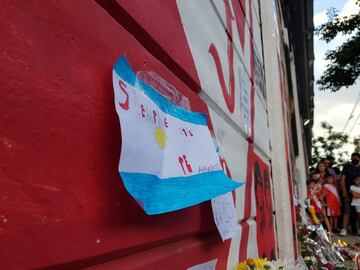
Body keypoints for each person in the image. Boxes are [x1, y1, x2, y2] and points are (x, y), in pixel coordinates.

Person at [340, 152, 360, 236]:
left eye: (356, 157)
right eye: (353, 157)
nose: (354, 159)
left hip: (358, 193)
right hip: (348, 193)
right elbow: (342, 179)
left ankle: (359, 229)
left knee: (358, 213)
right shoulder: (347, 167)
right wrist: (344, 190)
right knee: (347, 211)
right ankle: (344, 229)